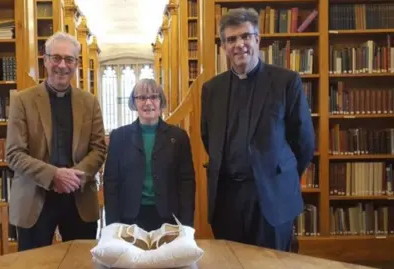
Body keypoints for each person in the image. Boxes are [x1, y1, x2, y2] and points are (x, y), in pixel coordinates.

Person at [200, 8, 315, 251]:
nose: (239, 44)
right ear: (224, 46)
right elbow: (208, 137)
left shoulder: (286, 81)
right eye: (231, 39)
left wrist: (278, 172)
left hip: (271, 196)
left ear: (257, 39)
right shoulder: (212, 90)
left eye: (245, 36)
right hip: (227, 198)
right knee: (230, 262)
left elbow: (303, 143)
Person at [5, 31, 106, 251]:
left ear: (76, 64)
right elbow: (14, 154)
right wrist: (54, 176)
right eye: (56, 58)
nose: (62, 65)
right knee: (33, 266)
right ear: (45, 60)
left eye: (69, 59)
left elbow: (99, 149)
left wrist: (73, 177)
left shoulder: (89, 102)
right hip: (35, 197)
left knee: (81, 264)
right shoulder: (22, 101)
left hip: (78, 197)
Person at [103, 78, 195, 231]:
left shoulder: (178, 137)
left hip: (169, 218)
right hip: (129, 218)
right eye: (141, 97)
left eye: (153, 97)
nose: (148, 103)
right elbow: (111, 183)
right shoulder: (119, 136)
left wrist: (186, 225)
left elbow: (186, 183)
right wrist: (112, 226)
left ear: (161, 101)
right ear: (134, 102)